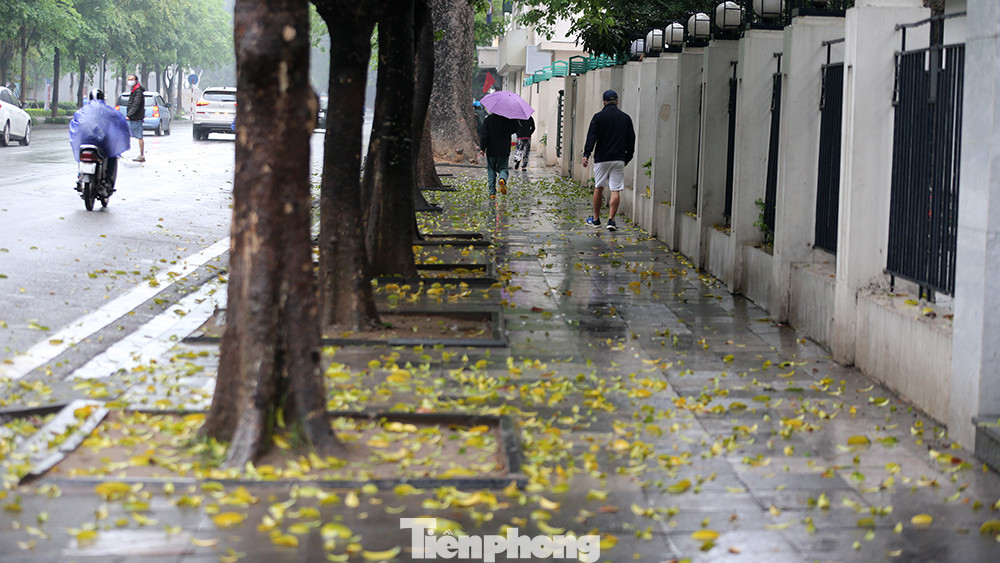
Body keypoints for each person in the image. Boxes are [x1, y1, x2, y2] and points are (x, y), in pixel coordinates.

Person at [582, 89, 635, 231]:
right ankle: (611, 220)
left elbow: (591, 136)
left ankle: (596, 219)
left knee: (599, 187)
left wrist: (586, 154)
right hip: (618, 158)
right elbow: (631, 140)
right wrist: (627, 158)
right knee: (615, 189)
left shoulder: (598, 117)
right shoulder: (626, 118)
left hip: (602, 159)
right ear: (617, 101)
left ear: (604, 102)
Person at [69, 89, 131, 191]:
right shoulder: (108, 110)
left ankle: (80, 177)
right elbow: (119, 121)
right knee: (112, 155)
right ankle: (107, 180)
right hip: (102, 142)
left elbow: (74, 125)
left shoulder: (82, 111)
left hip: (85, 142)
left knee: (81, 158)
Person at [478, 112, 517, 198]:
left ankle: (492, 193)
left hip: (491, 150)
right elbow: (514, 129)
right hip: (504, 149)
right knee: (503, 168)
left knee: (491, 170)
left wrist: (482, 148)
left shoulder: (488, 119)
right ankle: (502, 179)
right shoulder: (508, 120)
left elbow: (484, 135)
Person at [125, 74, 146, 162]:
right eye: (129, 79)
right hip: (134, 117)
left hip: (136, 118)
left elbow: (136, 105)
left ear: (136, 81)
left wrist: (129, 115)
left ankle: (141, 155)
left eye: (132, 79)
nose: (130, 81)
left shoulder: (138, 91)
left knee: (139, 136)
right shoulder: (134, 90)